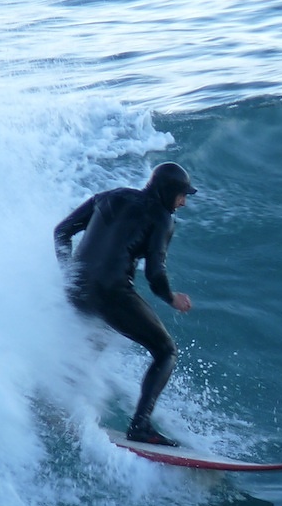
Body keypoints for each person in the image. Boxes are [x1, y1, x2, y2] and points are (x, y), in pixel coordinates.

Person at [54, 161, 198, 446]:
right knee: (166, 350)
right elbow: (155, 273)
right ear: (167, 191)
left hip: (78, 288)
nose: (183, 202)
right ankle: (141, 427)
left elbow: (61, 232)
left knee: (99, 335)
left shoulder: (109, 196)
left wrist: (69, 275)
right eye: (181, 195)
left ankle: (55, 397)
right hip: (111, 291)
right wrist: (172, 298)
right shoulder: (161, 217)